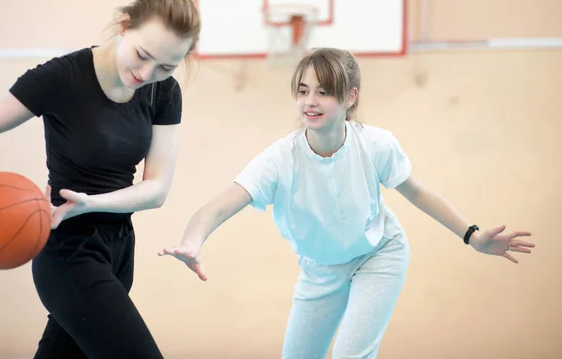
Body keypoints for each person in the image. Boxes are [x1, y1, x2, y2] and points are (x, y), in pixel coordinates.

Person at [159, 48, 535, 359]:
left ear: (350, 97)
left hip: (378, 254)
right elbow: (217, 207)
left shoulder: (375, 144)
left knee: (350, 356)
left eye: (323, 92)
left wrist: (472, 235)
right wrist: (193, 240)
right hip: (320, 268)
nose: (310, 101)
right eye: (303, 90)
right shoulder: (278, 159)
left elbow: (418, 192)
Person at [0, 0, 200, 358]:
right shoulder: (61, 77)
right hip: (68, 247)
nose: (146, 73)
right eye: (142, 55)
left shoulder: (163, 92)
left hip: (119, 248)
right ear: (124, 27)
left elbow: (156, 190)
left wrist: (92, 202)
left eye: (166, 67)